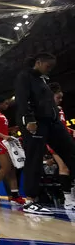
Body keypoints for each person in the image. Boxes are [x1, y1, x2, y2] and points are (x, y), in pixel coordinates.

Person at [15, 53, 75, 215]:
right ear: (39, 62)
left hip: (52, 123)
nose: (50, 69)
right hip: (36, 123)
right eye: (48, 66)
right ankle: (30, 200)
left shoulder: (43, 79)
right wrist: (29, 119)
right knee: (34, 158)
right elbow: (22, 99)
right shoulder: (25, 76)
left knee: (71, 152)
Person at [48, 82, 75, 210]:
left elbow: (62, 127)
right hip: (55, 143)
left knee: (70, 167)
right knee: (64, 168)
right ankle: (68, 200)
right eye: (58, 97)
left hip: (66, 141)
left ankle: (71, 197)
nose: (61, 100)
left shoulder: (60, 109)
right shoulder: (47, 109)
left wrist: (70, 130)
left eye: (61, 98)